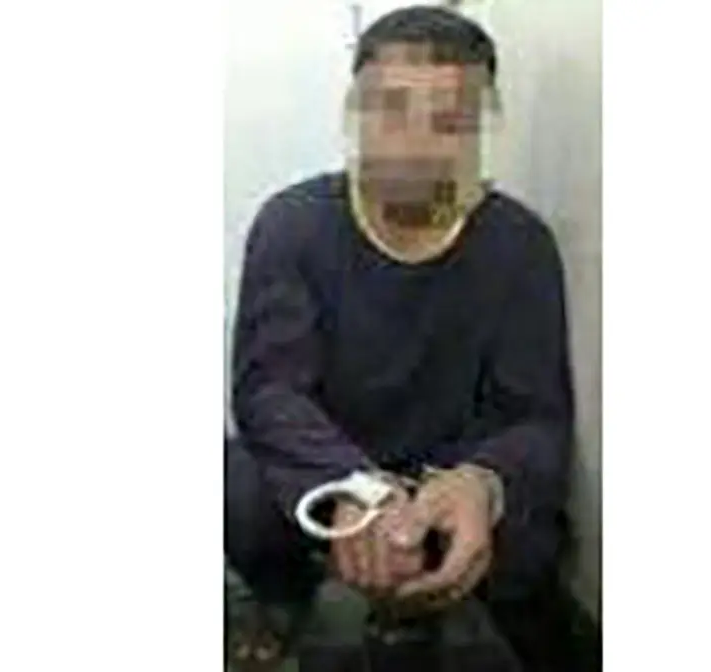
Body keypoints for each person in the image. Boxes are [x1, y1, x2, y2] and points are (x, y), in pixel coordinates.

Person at [226, 6, 579, 670]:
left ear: (479, 131)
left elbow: (537, 416)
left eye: (447, 120)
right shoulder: (293, 225)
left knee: (535, 532)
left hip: (450, 475)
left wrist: (479, 484)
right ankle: (284, 600)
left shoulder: (519, 244)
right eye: (391, 110)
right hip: (333, 463)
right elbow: (269, 391)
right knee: (236, 487)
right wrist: (354, 488)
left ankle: (458, 610)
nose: (414, 141)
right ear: (354, 116)